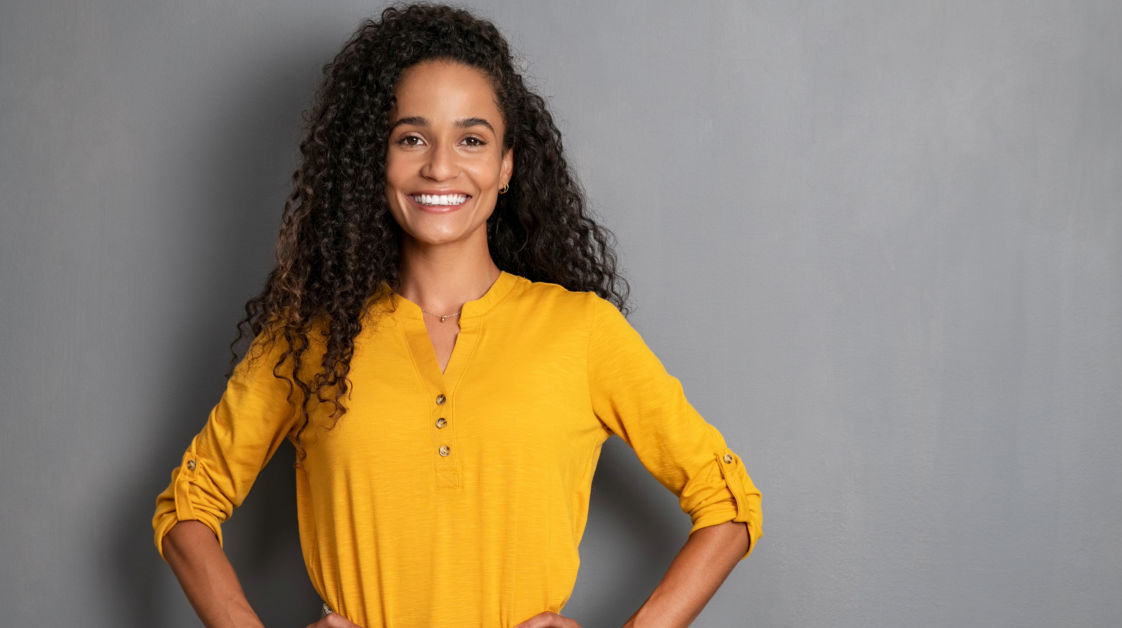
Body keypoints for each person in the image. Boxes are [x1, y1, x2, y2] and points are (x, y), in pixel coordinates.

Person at [152, 4, 763, 627]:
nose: (440, 166)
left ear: (506, 167)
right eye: (411, 137)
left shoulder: (582, 333)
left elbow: (729, 504)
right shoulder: (309, 339)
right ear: (377, 162)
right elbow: (187, 510)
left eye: (471, 139)